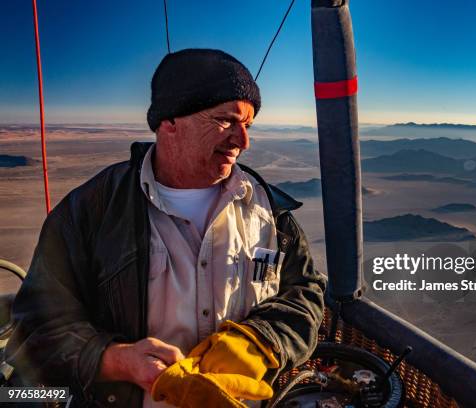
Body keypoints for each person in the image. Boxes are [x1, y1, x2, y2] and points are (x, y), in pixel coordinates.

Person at [5, 48, 326, 407]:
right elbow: (36, 330)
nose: (243, 141)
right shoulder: (89, 213)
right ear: (169, 122)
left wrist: (262, 339)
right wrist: (114, 361)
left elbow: (306, 292)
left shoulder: (271, 212)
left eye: (247, 125)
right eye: (225, 121)